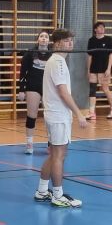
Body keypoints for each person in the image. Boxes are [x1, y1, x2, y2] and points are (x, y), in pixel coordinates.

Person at [33, 29, 88, 207]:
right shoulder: (58, 62)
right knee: (59, 156)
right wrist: (79, 113)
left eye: (71, 40)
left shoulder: (56, 61)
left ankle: (42, 191)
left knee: (55, 155)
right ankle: (58, 195)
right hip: (58, 115)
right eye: (66, 40)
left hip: (55, 114)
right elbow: (63, 92)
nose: (70, 43)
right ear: (57, 43)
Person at [18, 29, 51, 154]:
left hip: (48, 88)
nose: (44, 38)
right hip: (33, 87)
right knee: (31, 116)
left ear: (49, 40)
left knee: (50, 117)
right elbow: (23, 73)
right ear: (38, 39)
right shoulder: (30, 53)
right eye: (41, 36)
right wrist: (21, 90)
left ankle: (51, 144)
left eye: (46, 37)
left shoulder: (53, 55)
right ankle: (29, 144)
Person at [85, 21, 112, 120]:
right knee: (92, 90)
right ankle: (92, 112)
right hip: (94, 69)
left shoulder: (108, 39)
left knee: (105, 89)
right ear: (95, 29)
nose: (102, 28)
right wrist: (88, 70)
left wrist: (108, 69)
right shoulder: (91, 40)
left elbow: (111, 55)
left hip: (104, 69)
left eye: (103, 27)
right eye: (99, 27)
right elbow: (90, 56)